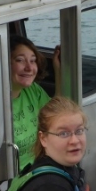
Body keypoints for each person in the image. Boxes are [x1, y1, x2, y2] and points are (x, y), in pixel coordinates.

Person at [11, 35, 61, 172]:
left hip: (35, 172)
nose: (29, 68)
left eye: (33, 61)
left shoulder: (33, 90)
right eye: (20, 60)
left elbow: (56, 112)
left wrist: (58, 70)